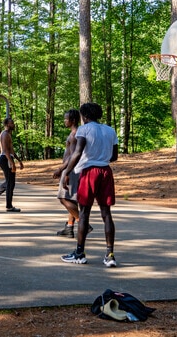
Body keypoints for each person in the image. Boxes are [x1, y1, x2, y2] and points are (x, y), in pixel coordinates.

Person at [59, 102, 118, 267]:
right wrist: (101, 156)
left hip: (88, 172)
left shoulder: (84, 130)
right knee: (106, 214)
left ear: (84, 116)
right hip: (106, 172)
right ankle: (110, 254)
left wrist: (67, 172)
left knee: (84, 213)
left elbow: (77, 153)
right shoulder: (110, 130)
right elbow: (114, 157)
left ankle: (79, 252)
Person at [52, 109, 85, 237]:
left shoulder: (74, 135)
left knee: (63, 198)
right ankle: (69, 227)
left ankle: (83, 223)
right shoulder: (75, 133)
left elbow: (72, 156)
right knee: (72, 198)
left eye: (66, 119)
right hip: (73, 169)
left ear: (73, 120)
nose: (64, 121)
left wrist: (61, 170)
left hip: (71, 169)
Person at [0, 117, 24, 212]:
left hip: (8, 158)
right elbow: (6, 151)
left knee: (10, 182)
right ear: (7, 124)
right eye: (12, 123)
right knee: (10, 182)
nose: (13, 124)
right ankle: (7, 205)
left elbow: (11, 151)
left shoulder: (9, 134)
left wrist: (19, 161)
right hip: (5, 159)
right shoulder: (4, 134)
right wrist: (12, 163)